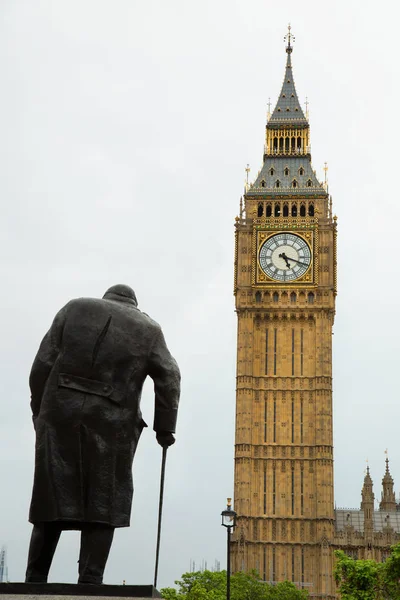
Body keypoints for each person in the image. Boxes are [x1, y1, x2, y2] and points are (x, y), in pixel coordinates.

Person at [25, 284, 180, 585]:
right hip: (113, 422)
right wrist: (165, 428)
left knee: (50, 498)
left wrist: (38, 409)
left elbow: (41, 364)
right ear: (134, 304)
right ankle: (91, 579)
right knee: (103, 501)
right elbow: (170, 376)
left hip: (58, 414)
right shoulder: (149, 329)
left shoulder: (73, 308)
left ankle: (33, 579)